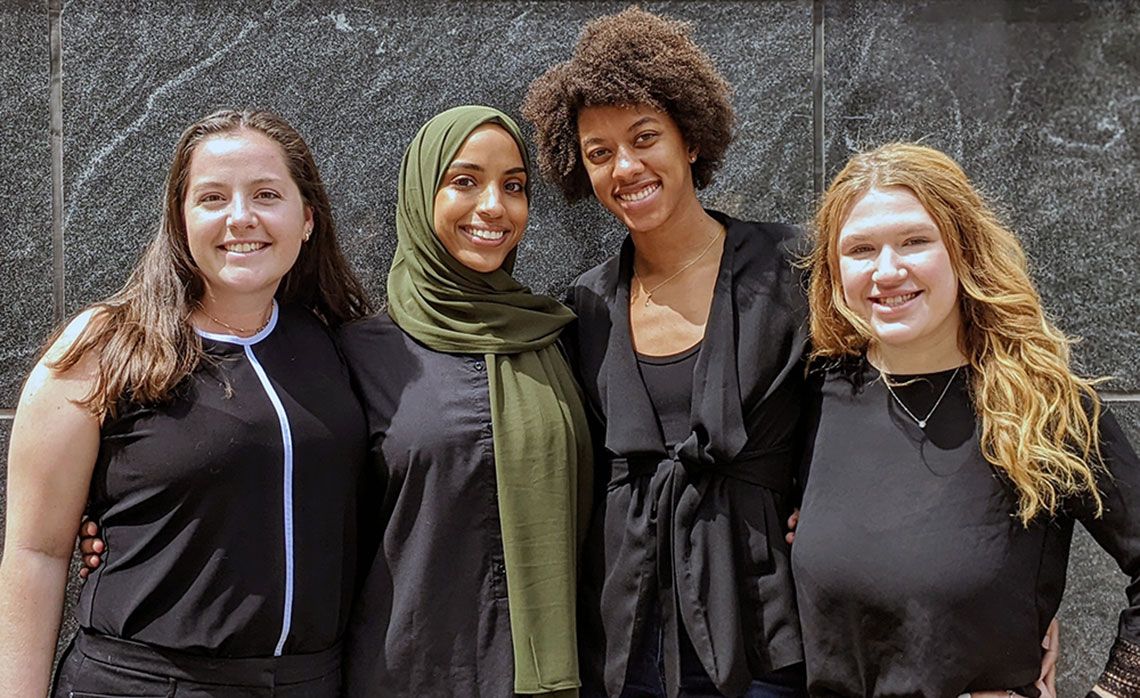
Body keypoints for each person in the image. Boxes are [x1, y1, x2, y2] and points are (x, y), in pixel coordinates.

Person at [0, 109, 372, 697]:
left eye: (267, 194)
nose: (241, 217)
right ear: (181, 219)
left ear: (307, 220)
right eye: (213, 197)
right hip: (142, 682)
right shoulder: (104, 347)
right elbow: (36, 552)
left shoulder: (338, 344)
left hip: (310, 681)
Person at [524, 9, 809, 697]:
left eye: (644, 137)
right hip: (625, 650)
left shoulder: (793, 271)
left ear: (688, 138)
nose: (626, 167)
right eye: (599, 152)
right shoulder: (583, 310)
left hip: (764, 642)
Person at [793, 142, 1140, 697]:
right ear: (835, 273)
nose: (887, 270)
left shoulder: (1042, 406)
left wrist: (1112, 692)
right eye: (860, 248)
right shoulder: (814, 396)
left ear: (963, 250)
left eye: (915, 241)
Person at [335, 105, 593, 697]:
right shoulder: (358, 353)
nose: (494, 207)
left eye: (514, 186)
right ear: (421, 194)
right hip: (407, 674)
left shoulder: (559, 337)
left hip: (552, 678)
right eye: (464, 181)